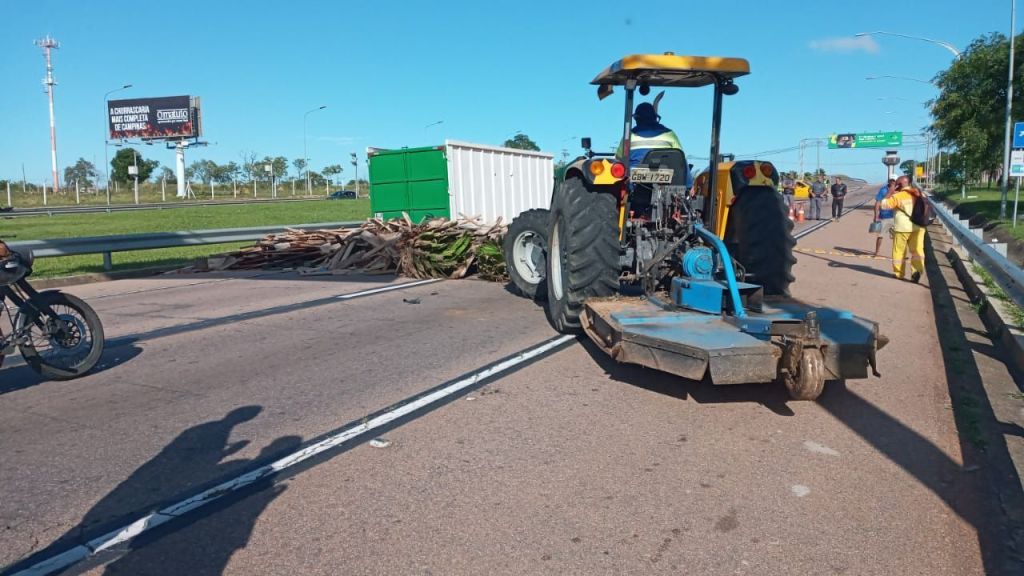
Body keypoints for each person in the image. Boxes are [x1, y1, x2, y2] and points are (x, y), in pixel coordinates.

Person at [877, 175, 926, 282]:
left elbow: (884, 205)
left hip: (902, 228)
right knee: (917, 251)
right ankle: (916, 271)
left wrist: (890, 192)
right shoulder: (918, 193)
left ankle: (899, 274)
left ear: (900, 184)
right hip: (919, 227)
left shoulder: (899, 196)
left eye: (897, 183)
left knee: (899, 251)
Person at [616, 102, 685, 172]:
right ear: (655, 117)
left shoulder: (629, 136)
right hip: (667, 179)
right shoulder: (670, 134)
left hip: (633, 180)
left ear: (636, 119)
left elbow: (619, 158)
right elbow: (680, 158)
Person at [872, 177, 896, 257]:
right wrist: (876, 215)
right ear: (889, 181)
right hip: (884, 216)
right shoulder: (883, 190)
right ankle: (877, 252)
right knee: (880, 235)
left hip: (896, 217)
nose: (893, 182)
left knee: (898, 237)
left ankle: (899, 254)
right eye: (891, 181)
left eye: (894, 181)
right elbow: (878, 203)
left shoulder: (899, 190)